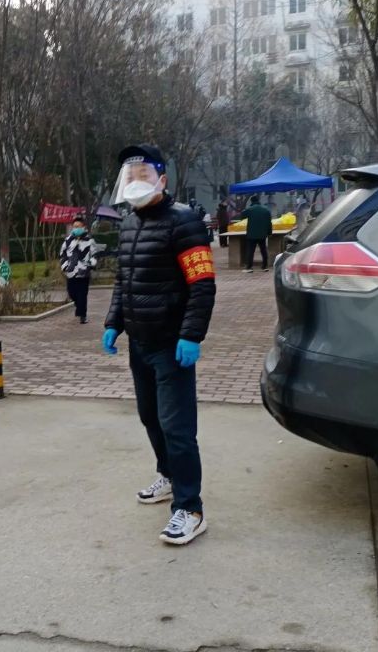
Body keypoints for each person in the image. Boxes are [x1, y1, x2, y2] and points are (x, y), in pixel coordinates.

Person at [102, 144, 216, 546]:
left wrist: (191, 335)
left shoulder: (184, 222)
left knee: (177, 427)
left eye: (144, 175)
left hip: (171, 344)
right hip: (140, 342)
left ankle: (191, 509)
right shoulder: (128, 223)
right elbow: (124, 280)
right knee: (150, 416)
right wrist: (113, 322)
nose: (135, 182)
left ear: (162, 180)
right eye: (130, 176)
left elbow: (202, 284)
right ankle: (167, 475)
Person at [60, 216, 97, 324]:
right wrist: (65, 266)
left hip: (84, 273)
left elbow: (95, 254)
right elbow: (62, 254)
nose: (76, 228)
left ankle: (82, 315)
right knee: (72, 293)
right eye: (75, 226)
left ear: (83, 227)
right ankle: (78, 306)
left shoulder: (90, 240)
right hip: (71, 272)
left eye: (79, 226)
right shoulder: (68, 241)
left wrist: (91, 264)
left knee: (82, 295)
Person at [239, 194, 272, 273]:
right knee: (263, 250)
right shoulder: (266, 210)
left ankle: (249, 267)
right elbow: (269, 223)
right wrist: (269, 233)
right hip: (262, 234)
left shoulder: (250, 209)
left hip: (251, 234)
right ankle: (265, 266)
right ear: (258, 201)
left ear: (251, 201)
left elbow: (242, 216)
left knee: (251, 251)